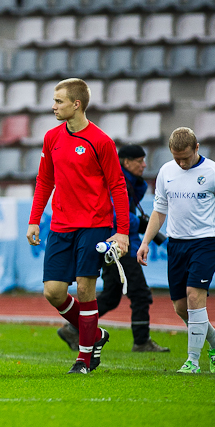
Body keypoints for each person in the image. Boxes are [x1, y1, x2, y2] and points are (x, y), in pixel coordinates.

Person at [27, 78, 130, 375]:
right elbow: (45, 180)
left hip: (94, 224)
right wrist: (34, 219)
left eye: (58, 101)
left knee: (86, 288)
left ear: (77, 104)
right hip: (60, 225)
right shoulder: (51, 137)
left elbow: (118, 186)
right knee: (53, 292)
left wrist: (121, 231)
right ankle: (95, 334)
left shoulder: (101, 141)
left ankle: (84, 358)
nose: (53, 106)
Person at [57, 144, 169, 353]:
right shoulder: (117, 182)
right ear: (126, 162)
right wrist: (138, 223)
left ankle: (73, 328)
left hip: (117, 244)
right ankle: (142, 341)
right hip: (118, 245)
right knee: (140, 293)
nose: (144, 165)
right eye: (140, 161)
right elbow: (112, 214)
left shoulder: (131, 183)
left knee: (111, 295)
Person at [138, 127, 215, 374]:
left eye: (185, 158)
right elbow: (159, 211)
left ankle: (193, 361)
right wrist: (146, 242)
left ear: (197, 148)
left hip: (206, 241)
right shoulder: (166, 171)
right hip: (176, 244)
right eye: (176, 158)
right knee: (180, 307)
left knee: (194, 295)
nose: (181, 163)